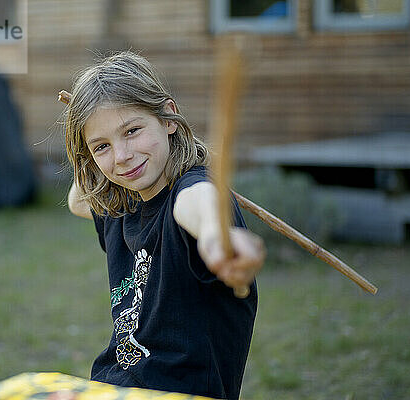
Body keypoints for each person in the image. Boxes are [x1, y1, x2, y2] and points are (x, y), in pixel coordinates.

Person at [64, 51, 265, 400]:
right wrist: (88, 120)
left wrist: (220, 238)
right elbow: (77, 200)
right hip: (111, 387)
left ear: (168, 117)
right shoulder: (122, 203)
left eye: (133, 130)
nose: (122, 155)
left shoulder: (193, 190)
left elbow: (198, 207)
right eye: (103, 147)